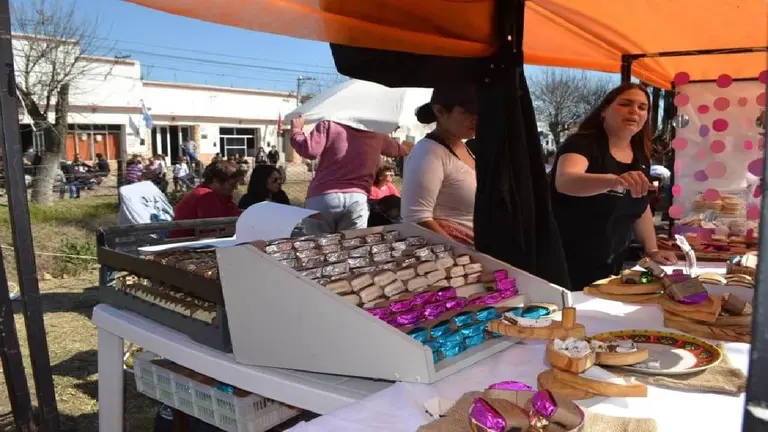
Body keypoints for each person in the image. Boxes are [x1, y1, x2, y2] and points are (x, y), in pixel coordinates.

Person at [549, 83, 678, 292]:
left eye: (642, 107)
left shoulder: (640, 155)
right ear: (604, 111)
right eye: (625, 104)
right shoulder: (582, 143)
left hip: (611, 261)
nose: (634, 111)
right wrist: (615, 180)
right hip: (567, 257)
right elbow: (565, 181)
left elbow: (640, 204)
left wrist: (652, 250)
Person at [290, 116, 412, 234]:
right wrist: (407, 146)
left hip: (322, 197)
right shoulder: (377, 134)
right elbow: (397, 150)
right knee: (351, 248)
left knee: (317, 249)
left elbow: (309, 150)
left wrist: (296, 130)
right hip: (357, 199)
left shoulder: (329, 124)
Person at [401, 86, 478, 246]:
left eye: (479, 112)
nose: (475, 118)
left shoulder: (465, 148)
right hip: (454, 259)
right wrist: (464, 255)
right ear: (439, 111)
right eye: (467, 112)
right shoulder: (428, 152)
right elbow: (417, 219)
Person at [171, 160, 245, 238]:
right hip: (187, 246)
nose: (236, 187)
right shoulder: (206, 196)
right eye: (233, 184)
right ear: (217, 181)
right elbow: (213, 231)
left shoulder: (219, 195)